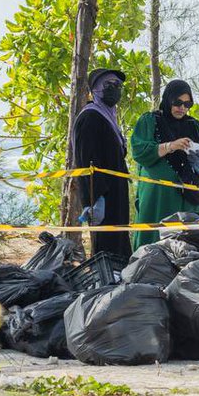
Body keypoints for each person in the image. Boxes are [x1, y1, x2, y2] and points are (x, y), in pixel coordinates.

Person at [130, 79, 199, 249]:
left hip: (189, 198)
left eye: (187, 104)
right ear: (168, 99)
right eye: (177, 102)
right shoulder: (150, 120)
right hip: (158, 198)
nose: (182, 108)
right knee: (151, 243)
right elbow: (139, 150)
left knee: (187, 246)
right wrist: (170, 146)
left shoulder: (196, 126)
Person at [71, 67, 132, 261]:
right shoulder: (90, 117)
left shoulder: (108, 117)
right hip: (103, 195)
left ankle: (119, 275)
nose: (114, 88)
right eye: (108, 84)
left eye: (117, 85)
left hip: (116, 192)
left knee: (119, 243)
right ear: (95, 88)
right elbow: (85, 159)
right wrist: (94, 198)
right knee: (107, 246)